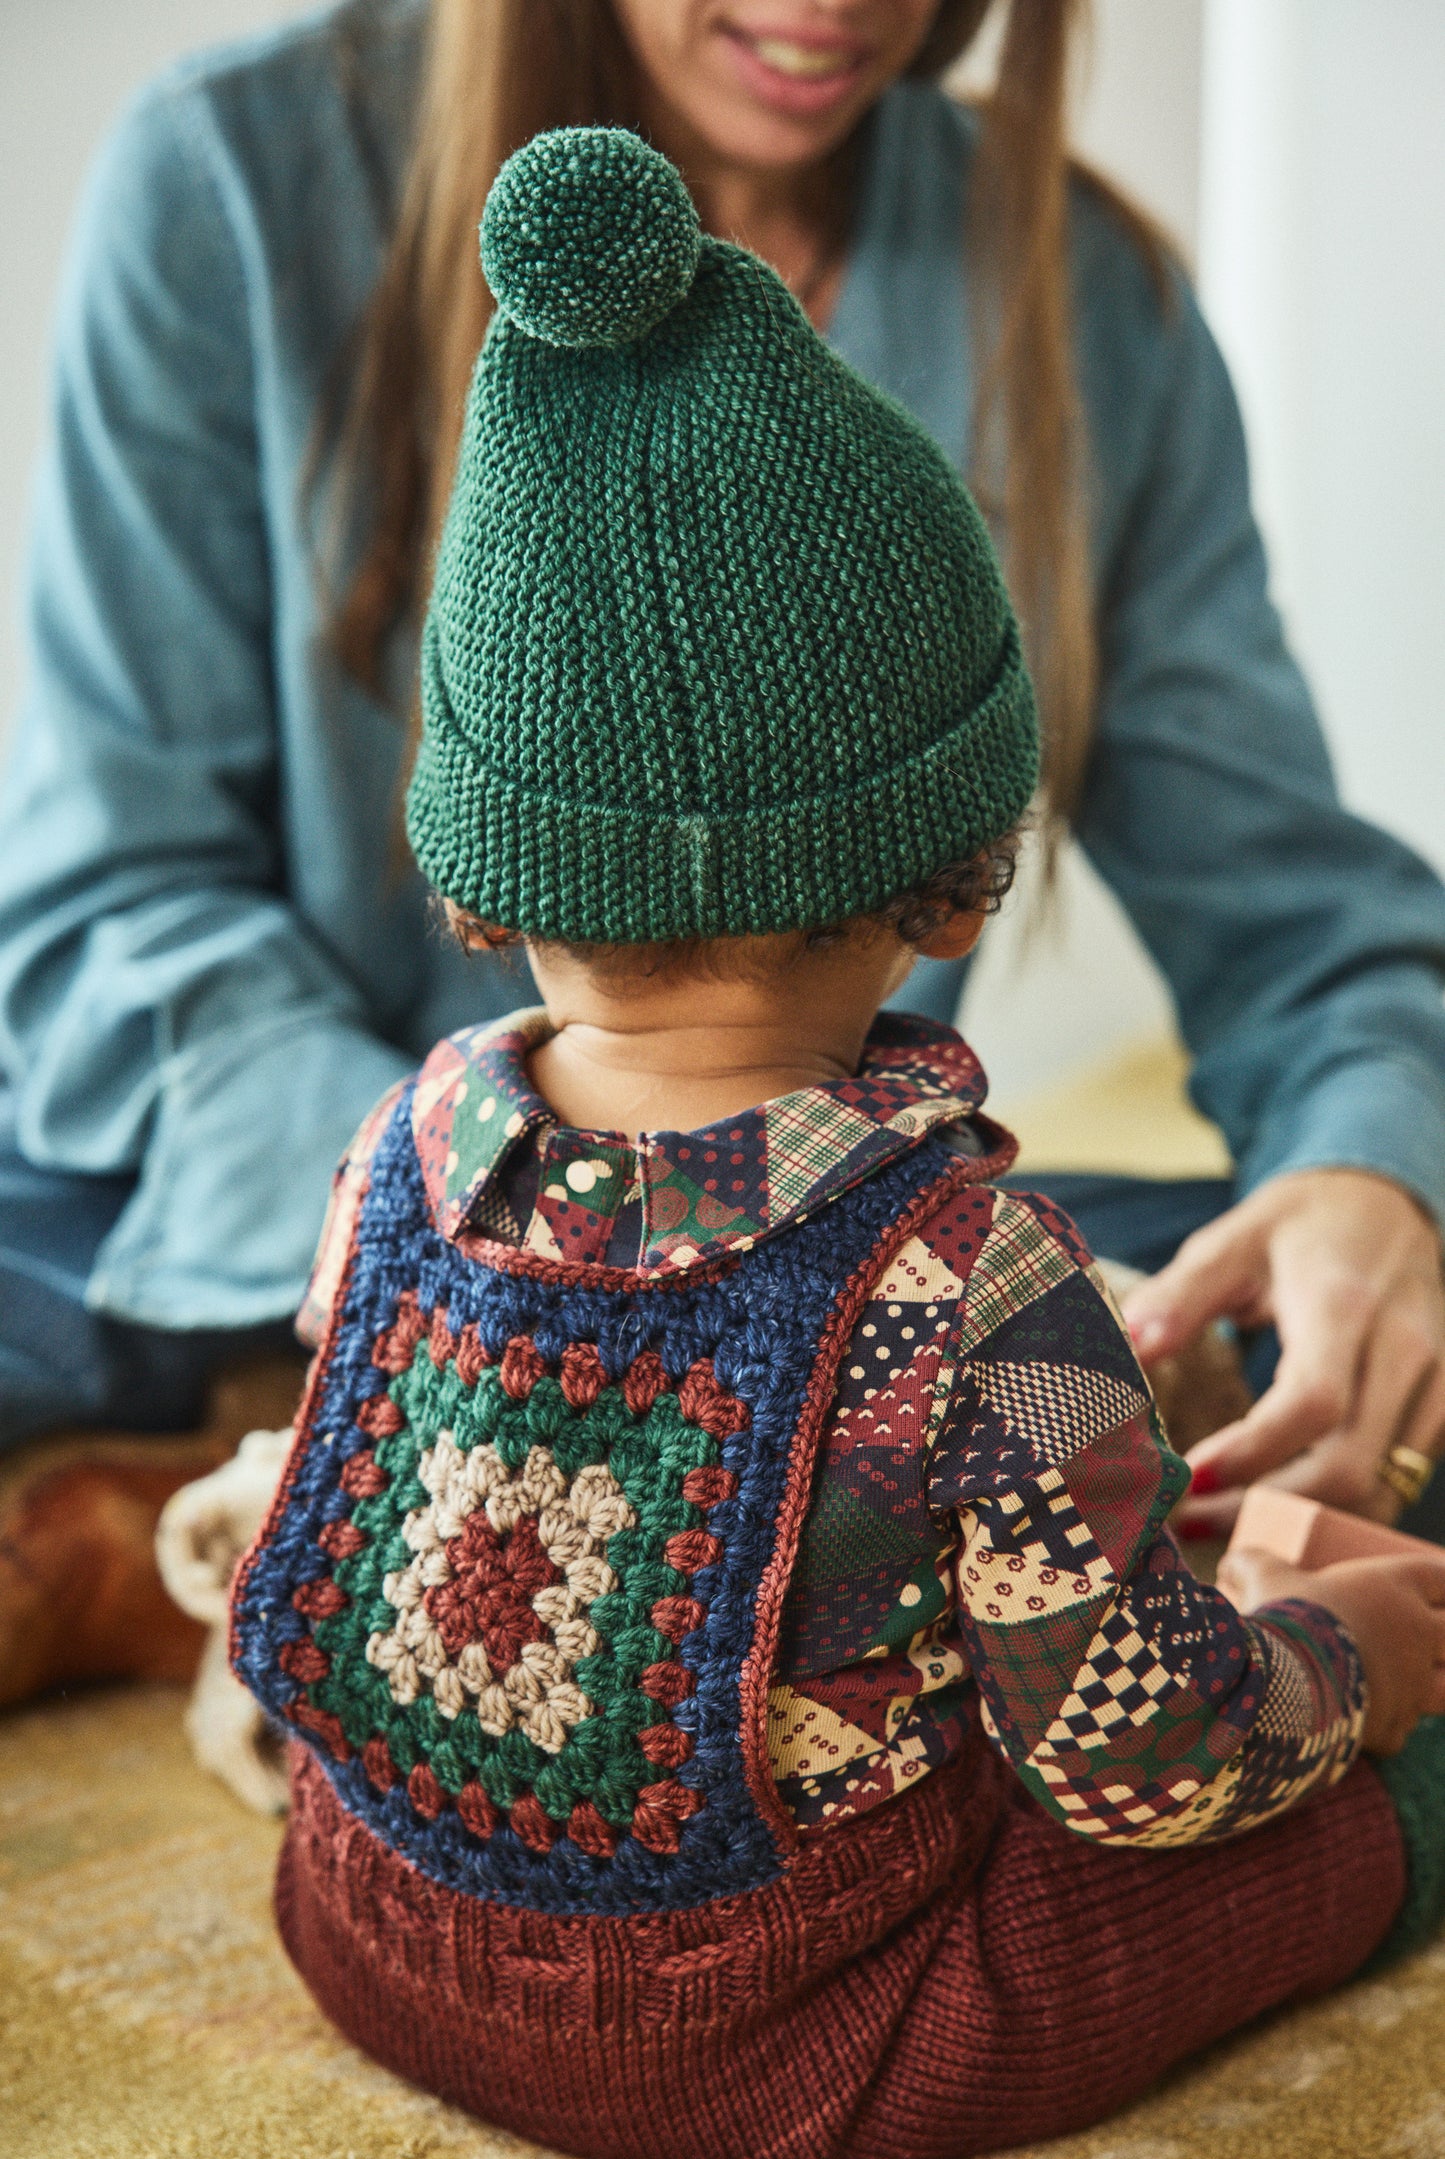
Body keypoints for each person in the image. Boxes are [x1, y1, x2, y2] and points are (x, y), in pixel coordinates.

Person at [233, 129, 1445, 2159]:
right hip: (798, 2046)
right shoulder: (982, 1283)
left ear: (478, 872)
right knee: (1301, 1815)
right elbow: (1133, 1761)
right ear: (968, 879)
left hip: (361, 1928)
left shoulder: (404, 1148)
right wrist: (1343, 1659)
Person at [2, 0, 1444, 1695]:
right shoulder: (232, 178)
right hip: (284, 1197)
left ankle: (304, 1514)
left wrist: (1367, 1175)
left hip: (797, 1229)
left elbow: (1304, 927)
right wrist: (474, 1228)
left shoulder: (1085, 292)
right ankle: (331, 1468)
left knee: (1234, 1328)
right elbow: (115, 900)